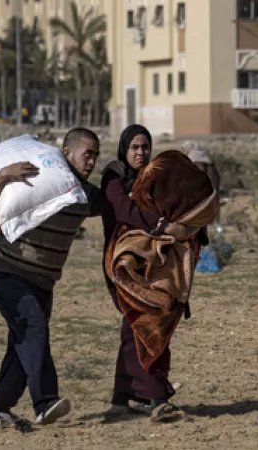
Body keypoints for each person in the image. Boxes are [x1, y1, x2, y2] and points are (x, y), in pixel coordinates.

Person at [0, 128, 104, 428]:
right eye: (87, 154)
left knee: (22, 344)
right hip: (8, 271)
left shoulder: (85, 195)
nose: (91, 162)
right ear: (67, 153)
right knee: (33, 329)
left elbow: (119, 204)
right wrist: (3, 176)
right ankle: (45, 402)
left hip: (43, 282)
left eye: (96, 156)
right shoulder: (35, 179)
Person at [98, 125, 206, 422]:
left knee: (134, 326)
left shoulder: (154, 177)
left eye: (145, 146)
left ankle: (122, 398)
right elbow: (124, 210)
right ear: (124, 149)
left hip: (157, 264)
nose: (141, 153)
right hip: (123, 263)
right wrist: (162, 228)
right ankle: (157, 399)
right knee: (148, 324)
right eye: (134, 147)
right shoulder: (114, 176)